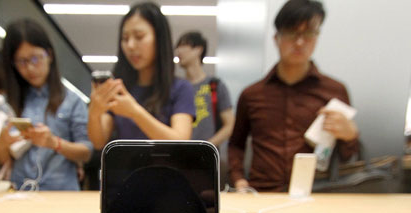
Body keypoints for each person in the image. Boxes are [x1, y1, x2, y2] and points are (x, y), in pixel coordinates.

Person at [228, 0, 359, 192]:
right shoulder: (252, 94)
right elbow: (236, 145)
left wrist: (350, 135)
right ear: (276, 38)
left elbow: (348, 157)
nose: (299, 42)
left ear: (317, 36)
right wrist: (239, 180)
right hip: (264, 193)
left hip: (318, 194)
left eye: (308, 33)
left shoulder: (335, 91)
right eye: (291, 33)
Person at [0, 18, 92, 191]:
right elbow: (2, 159)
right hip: (20, 190)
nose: (30, 69)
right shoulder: (10, 103)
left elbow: (86, 151)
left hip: (62, 192)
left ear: (49, 55)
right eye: (21, 62)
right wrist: (3, 143)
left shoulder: (72, 100)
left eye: (35, 58)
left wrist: (54, 142)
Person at [88, 2, 195, 147]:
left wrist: (135, 112)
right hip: (124, 169)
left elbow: (180, 142)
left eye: (139, 37)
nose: (130, 45)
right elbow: (99, 142)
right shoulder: (119, 88)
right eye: (125, 39)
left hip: (164, 169)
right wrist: (94, 112)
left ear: (159, 39)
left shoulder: (181, 88)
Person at [175, 30, 234, 187]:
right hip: (179, 160)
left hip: (207, 162)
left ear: (198, 49)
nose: (178, 51)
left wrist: (207, 146)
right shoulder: (176, 88)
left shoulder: (215, 85)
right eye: (177, 47)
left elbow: (229, 125)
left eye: (184, 45)